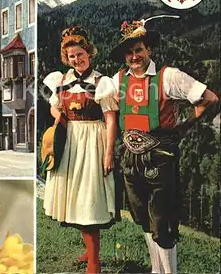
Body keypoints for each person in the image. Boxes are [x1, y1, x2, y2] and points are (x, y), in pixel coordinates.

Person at [110, 17, 219, 274]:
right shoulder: (118, 80)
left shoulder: (168, 76)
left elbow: (209, 98)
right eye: (129, 52)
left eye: (138, 50)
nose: (134, 56)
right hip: (130, 158)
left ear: (149, 49)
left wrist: (184, 125)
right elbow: (110, 111)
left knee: (163, 223)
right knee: (144, 220)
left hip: (160, 156)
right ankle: (156, 270)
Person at [43, 26, 119, 274]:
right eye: (72, 56)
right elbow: (55, 108)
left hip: (92, 141)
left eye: (80, 54)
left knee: (89, 199)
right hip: (69, 141)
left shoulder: (102, 83)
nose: (77, 59)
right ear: (67, 58)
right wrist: (59, 117)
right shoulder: (61, 81)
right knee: (74, 197)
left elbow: (110, 119)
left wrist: (108, 152)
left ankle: (94, 261)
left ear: (89, 52)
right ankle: (89, 250)